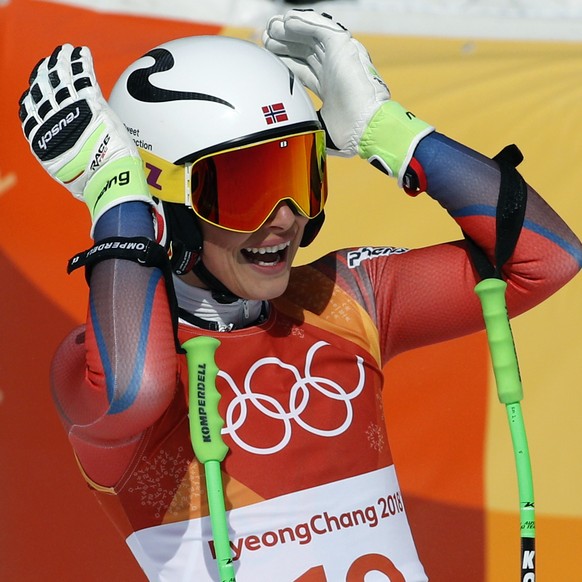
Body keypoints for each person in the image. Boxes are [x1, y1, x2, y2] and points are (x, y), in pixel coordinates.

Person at [18, 8, 581, 582]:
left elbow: (547, 259)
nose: (284, 219)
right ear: (167, 207)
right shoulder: (95, 363)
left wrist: (385, 129)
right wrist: (117, 194)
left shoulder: (340, 297)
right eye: (245, 189)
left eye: (295, 175)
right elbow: (137, 389)